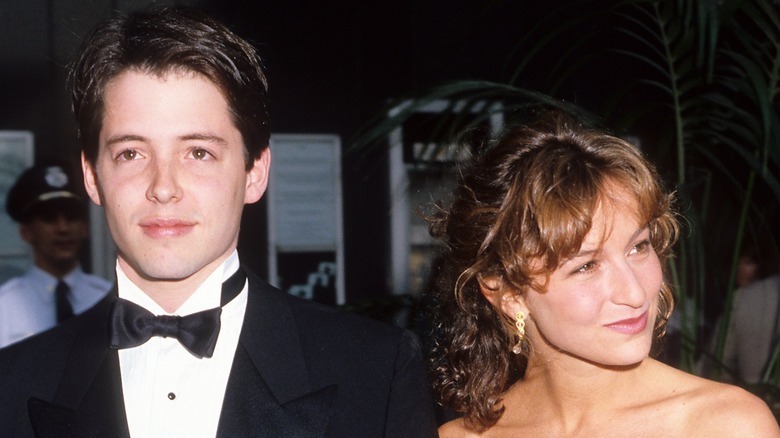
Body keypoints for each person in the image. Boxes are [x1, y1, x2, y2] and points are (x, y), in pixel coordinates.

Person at [0, 7, 437, 437]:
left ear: (255, 173)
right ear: (93, 177)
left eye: (198, 153)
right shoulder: (12, 386)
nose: (164, 187)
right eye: (131, 153)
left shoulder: (375, 370)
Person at [429, 111, 780, 436]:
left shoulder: (725, 425)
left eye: (638, 247)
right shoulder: (458, 436)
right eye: (586, 266)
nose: (636, 294)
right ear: (507, 293)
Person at [0, 162, 112, 348]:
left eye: (71, 216)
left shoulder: (107, 299)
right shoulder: (6, 306)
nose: (63, 228)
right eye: (49, 218)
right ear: (26, 232)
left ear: (85, 228)